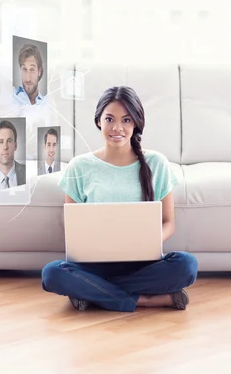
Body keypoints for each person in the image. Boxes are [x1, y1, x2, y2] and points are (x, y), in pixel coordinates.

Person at [41, 85, 198, 312]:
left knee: (186, 266)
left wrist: (148, 241)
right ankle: (145, 300)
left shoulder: (156, 163)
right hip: (93, 264)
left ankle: (94, 294)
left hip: (143, 264)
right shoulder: (80, 166)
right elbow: (72, 224)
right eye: (109, 119)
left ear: (136, 123)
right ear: (98, 121)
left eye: (126, 120)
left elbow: (168, 222)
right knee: (52, 274)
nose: (117, 128)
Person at [0, 120, 26, 192]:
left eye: (9, 141)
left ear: (15, 146)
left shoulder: (28, 172)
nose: (5, 147)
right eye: (1, 142)